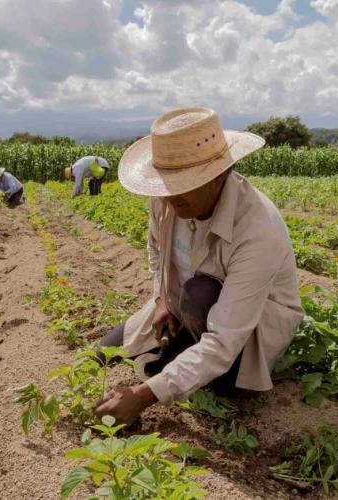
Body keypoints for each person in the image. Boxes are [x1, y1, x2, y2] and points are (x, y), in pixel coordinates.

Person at [93, 107, 304, 425]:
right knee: (101, 352)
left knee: (199, 293)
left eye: (182, 184)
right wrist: (162, 297)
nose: (169, 196)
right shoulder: (165, 199)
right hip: (182, 307)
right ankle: (182, 348)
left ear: (218, 175)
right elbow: (155, 248)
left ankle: (217, 379)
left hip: (244, 331)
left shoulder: (258, 230)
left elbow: (223, 342)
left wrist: (142, 396)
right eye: (165, 184)